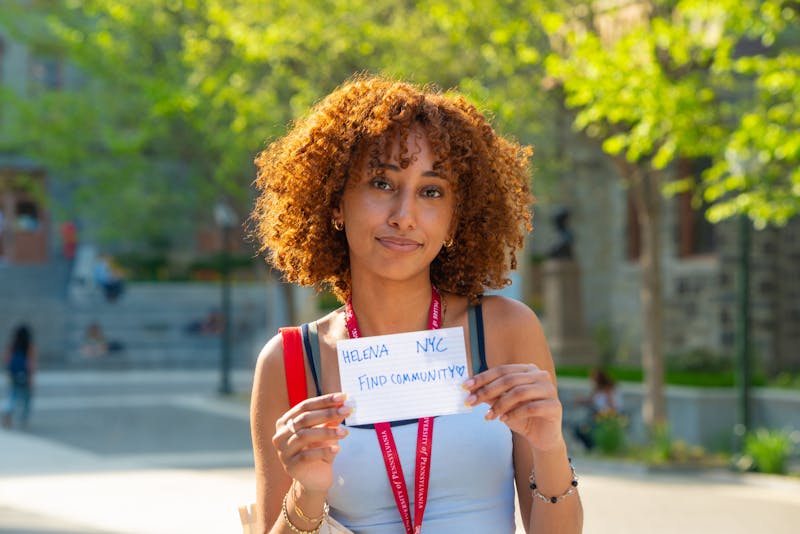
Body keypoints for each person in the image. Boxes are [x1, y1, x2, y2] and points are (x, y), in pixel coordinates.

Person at [249, 76, 583, 534]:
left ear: (454, 218)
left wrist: (550, 447)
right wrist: (307, 493)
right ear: (335, 203)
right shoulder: (288, 361)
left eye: (431, 191)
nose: (404, 215)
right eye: (382, 183)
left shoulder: (508, 330)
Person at [572, 368, 623, 451]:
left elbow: (613, 406)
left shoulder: (608, 389)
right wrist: (580, 401)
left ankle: (592, 448)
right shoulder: (597, 389)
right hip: (595, 414)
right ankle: (590, 448)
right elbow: (592, 400)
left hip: (605, 416)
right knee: (578, 428)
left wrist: (605, 412)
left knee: (585, 429)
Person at [3, 324, 37, 429]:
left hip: (14, 375)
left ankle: (8, 413)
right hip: (25, 375)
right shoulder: (29, 346)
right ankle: (23, 419)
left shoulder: (12, 345)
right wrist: (31, 378)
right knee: (27, 398)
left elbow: (6, 360)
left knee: (13, 396)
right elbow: (32, 363)